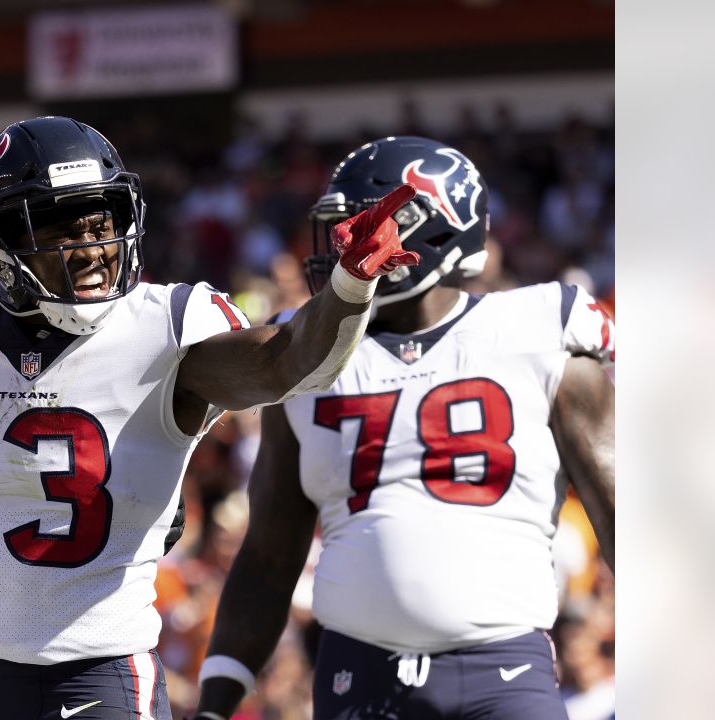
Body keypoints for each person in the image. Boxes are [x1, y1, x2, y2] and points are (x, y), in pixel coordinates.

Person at [0, 116, 419, 719]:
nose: (91, 247)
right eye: (61, 227)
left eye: (100, 220)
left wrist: (349, 286)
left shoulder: (164, 329)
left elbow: (288, 364)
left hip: (98, 677)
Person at [193, 136, 615, 720]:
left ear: (431, 228)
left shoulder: (539, 332)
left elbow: (627, 524)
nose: (341, 246)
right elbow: (269, 553)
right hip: (355, 674)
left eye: (359, 227)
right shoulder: (303, 359)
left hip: (507, 673)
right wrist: (216, 703)